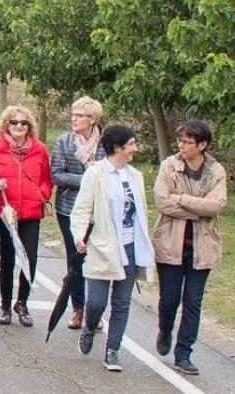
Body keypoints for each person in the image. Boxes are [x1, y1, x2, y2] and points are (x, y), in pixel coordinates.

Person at [70, 124, 156, 373]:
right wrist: (79, 236)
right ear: (117, 147)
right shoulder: (96, 174)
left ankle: (113, 349)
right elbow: (82, 209)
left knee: (122, 302)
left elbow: (140, 214)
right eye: (131, 144)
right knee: (96, 302)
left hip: (130, 247)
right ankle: (89, 326)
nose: (135, 148)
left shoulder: (135, 176)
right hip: (102, 247)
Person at [153, 120, 226, 376]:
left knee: (193, 301)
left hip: (202, 247)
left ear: (202, 145)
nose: (182, 146)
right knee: (169, 299)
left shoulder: (216, 171)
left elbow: (216, 206)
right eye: (180, 141)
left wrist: (182, 199)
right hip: (170, 244)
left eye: (188, 142)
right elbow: (162, 202)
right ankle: (165, 329)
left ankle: (183, 353)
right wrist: (198, 210)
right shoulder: (169, 166)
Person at [0, 105, 52, 328]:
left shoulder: (39, 150)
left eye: (23, 123)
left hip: (30, 212)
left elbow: (46, 178)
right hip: (6, 211)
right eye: (14, 122)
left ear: (29, 127)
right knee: (7, 260)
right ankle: (5, 305)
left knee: (30, 259)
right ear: (7, 125)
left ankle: (22, 303)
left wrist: (42, 195)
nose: (18, 126)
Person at [50, 95, 105, 330]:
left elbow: (110, 172)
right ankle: (78, 307)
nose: (74, 119)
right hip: (69, 208)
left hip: (98, 210)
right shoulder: (64, 142)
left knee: (96, 259)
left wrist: (97, 180)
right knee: (76, 258)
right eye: (73, 114)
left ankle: (95, 309)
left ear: (92, 119)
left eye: (80, 115)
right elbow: (57, 174)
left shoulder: (106, 143)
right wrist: (88, 179)